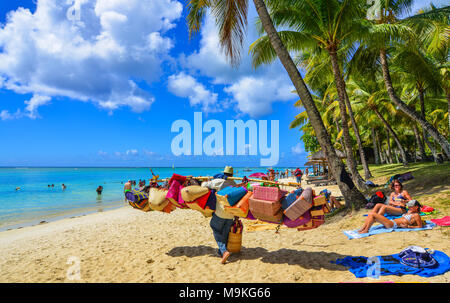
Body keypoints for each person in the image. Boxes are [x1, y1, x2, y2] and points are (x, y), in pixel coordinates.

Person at [202, 166, 236, 264]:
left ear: (224, 173)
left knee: (214, 227)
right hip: (230, 214)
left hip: (220, 213)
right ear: (232, 175)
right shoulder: (234, 183)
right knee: (224, 233)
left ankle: (224, 251)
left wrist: (207, 180)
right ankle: (222, 251)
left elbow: (204, 185)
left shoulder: (219, 181)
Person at [358, 200, 423, 234]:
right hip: (391, 222)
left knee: (372, 214)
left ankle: (366, 230)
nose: (409, 207)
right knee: (371, 214)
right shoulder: (409, 211)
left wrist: (408, 227)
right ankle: (363, 228)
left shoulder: (416, 215)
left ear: (416, 207)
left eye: (411, 206)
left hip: (392, 225)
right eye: (409, 206)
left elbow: (420, 226)